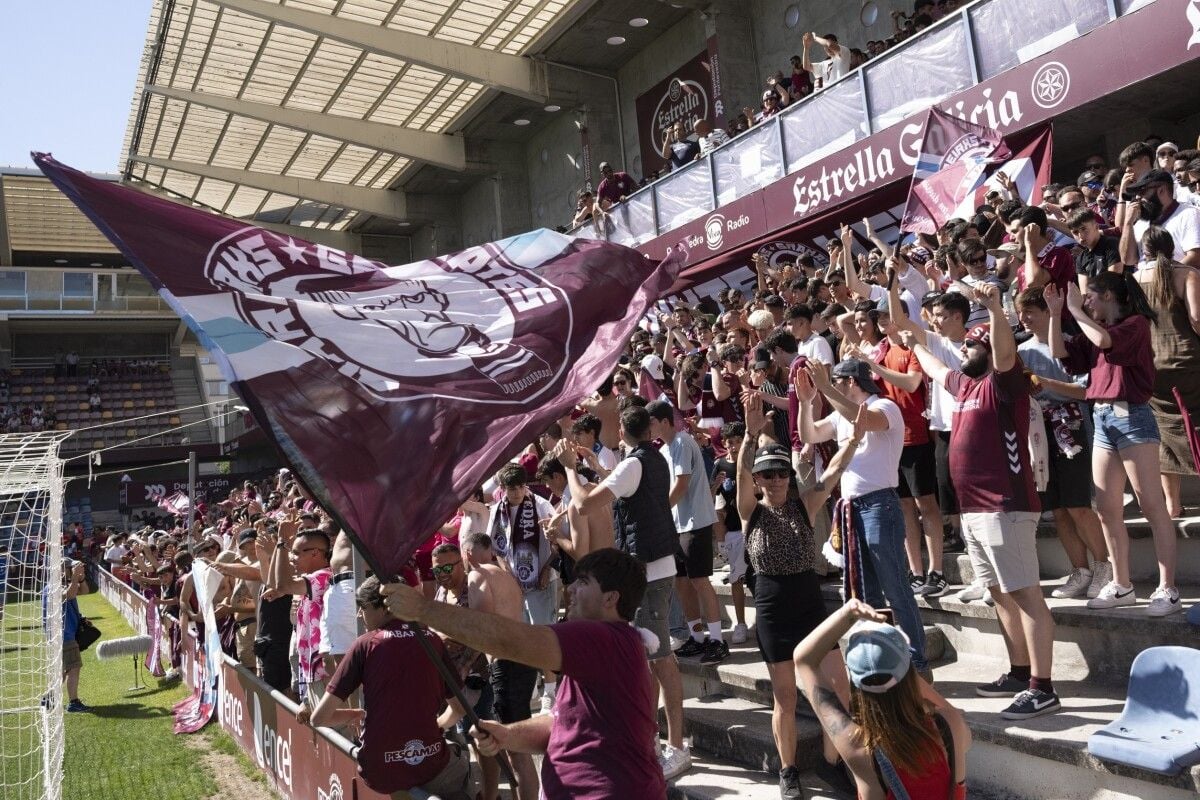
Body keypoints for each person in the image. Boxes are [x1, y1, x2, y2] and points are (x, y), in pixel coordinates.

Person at [381, 548, 668, 800]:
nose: (570, 589)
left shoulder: (604, 637)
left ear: (611, 598)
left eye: (583, 582)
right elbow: (565, 724)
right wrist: (507, 735)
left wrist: (423, 608)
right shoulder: (606, 645)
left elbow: (510, 641)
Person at [904, 284, 1062, 720]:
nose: (965, 352)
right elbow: (935, 366)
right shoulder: (964, 385)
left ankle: (1042, 687)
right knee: (998, 592)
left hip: (1004, 505)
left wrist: (993, 309)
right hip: (975, 509)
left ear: (988, 350)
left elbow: (1005, 352)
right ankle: (1018, 670)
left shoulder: (1005, 381)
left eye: (974, 346)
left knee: (1025, 594)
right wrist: (912, 339)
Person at [737, 395, 864, 798]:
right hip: (772, 605)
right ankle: (788, 770)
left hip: (809, 601)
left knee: (838, 686)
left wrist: (854, 438)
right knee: (786, 696)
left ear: (789, 477)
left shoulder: (803, 504)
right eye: (766, 475)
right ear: (758, 480)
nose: (774, 480)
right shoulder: (748, 510)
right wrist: (749, 433)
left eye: (780, 473)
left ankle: (833, 760)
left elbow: (835, 473)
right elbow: (740, 471)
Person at [1047, 276, 1184, 616]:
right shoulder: (1095, 329)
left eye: (1091, 296)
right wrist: (1055, 313)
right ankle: (1122, 584)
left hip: (1133, 416)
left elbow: (1105, 340)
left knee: (1152, 504)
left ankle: (1168, 589)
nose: (1088, 302)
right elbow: (1060, 352)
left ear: (1107, 295)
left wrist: (1077, 311)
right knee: (1106, 508)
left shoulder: (1135, 324)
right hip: (1104, 419)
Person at [567, 406, 691, 779]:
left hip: (651, 571)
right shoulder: (649, 459)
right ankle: (650, 738)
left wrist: (571, 470)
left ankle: (678, 747)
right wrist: (595, 468)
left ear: (622, 429)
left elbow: (586, 503)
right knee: (647, 654)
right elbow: (623, 485)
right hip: (652, 568)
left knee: (662, 658)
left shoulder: (633, 464)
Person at [796, 358, 929, 678]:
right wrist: (805, 403)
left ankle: (918, 662)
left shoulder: (885, 406)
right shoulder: (842, 414)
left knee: (896, 587)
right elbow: (810, 434)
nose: (831, 386)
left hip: (880, 505)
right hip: (851, 509)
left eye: (836, 381)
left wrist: (825, 389)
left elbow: (865, 421)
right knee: (864, 591)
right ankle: (878, 656)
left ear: (851, 382)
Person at [310, 576, 471, 800]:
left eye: (362, 607)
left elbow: (319, 719)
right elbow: (460, 708)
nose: (359, 615)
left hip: (380, 770)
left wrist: (354, 715)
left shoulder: (364, 644)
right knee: (463, 764)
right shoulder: (432, 640)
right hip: (430, 762)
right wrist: (435, 726)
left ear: (384, 608)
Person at [793, 599, 970, 800]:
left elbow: (804, 660)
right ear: (909, 673)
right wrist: (908, 676)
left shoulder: (856, 747)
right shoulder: (949, 724)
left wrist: (847, 614)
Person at [1014, 287, 1111, 599]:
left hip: (1073, 427)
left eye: (1030, 311)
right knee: (1057, 509)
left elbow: (1085, 391)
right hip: (1037, 431)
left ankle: (1104, 566)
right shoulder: (1019, 352)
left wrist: (1044, 384)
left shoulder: (1072, 345)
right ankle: (1080, 570)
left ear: (1047, 311)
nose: (1024, 318)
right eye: (1020, 312)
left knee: (1078, 505)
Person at [645, 400, 727, 665]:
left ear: (664, 422)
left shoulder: (681, 442)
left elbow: (681, 485)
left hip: (696, 522)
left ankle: (717, 640)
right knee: (682, 583)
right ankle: (698, 637)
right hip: (679, 526)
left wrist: (658, 514)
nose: (648, 428)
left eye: (652, 422)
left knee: (699, 580)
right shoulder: (667, 450)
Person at [1134, 227, 1200, 518]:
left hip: (1152, 364)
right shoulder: (1187, 273)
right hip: (1188, 359)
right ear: (1172, 246)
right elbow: (1197, 318)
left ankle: (1172, 505)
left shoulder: (1134, 279)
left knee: (1161, 432)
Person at [484, 463, 559, 713]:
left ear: (525, 486)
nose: (515, 493)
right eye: (510, 489)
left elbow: (556, 540)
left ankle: (551, 690)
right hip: (514, 584)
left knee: (542, 635)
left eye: (519, 487)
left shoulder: (540, 505)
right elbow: (497, 548)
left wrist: (547, 570)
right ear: (503, 489)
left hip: (541, 580)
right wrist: (507, 577)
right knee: (524, 639)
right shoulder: (497, 511)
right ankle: (533, 690)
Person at [266, 525, 333, 718]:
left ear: (315, 553)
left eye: (296, 553)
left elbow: (284, 584)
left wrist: (280, 543)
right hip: (313, 672)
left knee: (335, 734)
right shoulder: (313, 580)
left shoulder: (322, 577)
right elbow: (279, 585)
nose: (291, 558)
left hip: (323, 672)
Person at [61, 559, 91, 712]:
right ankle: (73, 702)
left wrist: (81, 578)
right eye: (70, 568)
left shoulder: (66, 584)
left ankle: (49, 697)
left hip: (66, 634)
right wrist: (74, 578)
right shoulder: (54, 587)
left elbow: (85, 591)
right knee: (73, 668)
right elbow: (69, 594)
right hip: (64, 635)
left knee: (63, 670)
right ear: (63, 570)